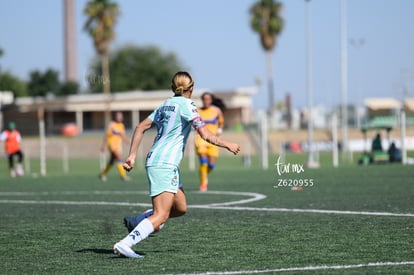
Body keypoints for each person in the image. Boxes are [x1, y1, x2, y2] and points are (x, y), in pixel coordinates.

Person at [113, 71, 240, 258]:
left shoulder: (165, 104)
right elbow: (205, 135)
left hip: (161, 162)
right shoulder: (188, 105)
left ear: (174, 88)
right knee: (162, 215)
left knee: (180, 208)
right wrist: (228, 144)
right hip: (164, 164)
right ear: (192, 88)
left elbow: (140, 127)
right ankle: (126, 243)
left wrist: (132, 155)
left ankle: (141, 220)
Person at [195, 92, 224, 191]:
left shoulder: (217, 111)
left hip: (213, 139)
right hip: (201, 139)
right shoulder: (197, 111)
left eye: (208, 99)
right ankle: (203, 184)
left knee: (211, 165)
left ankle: (203, 175)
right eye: (204, 99)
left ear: (211, 100)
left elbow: (221, 122)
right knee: (203, 161)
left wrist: (219, 130)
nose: (206, 101)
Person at [99, 111, 130, 181]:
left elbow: (122, 135)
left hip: (118, 145)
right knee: (119, 158)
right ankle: (123, 176)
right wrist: (103, 145)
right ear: (115, 117)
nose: (119, 117)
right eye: (118, 116)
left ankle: (102, 174)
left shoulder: (121, 125)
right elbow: (106, 135)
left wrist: (127, 141)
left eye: (121, 116)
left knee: (111, 161)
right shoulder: (112, 124)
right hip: (112, 145)